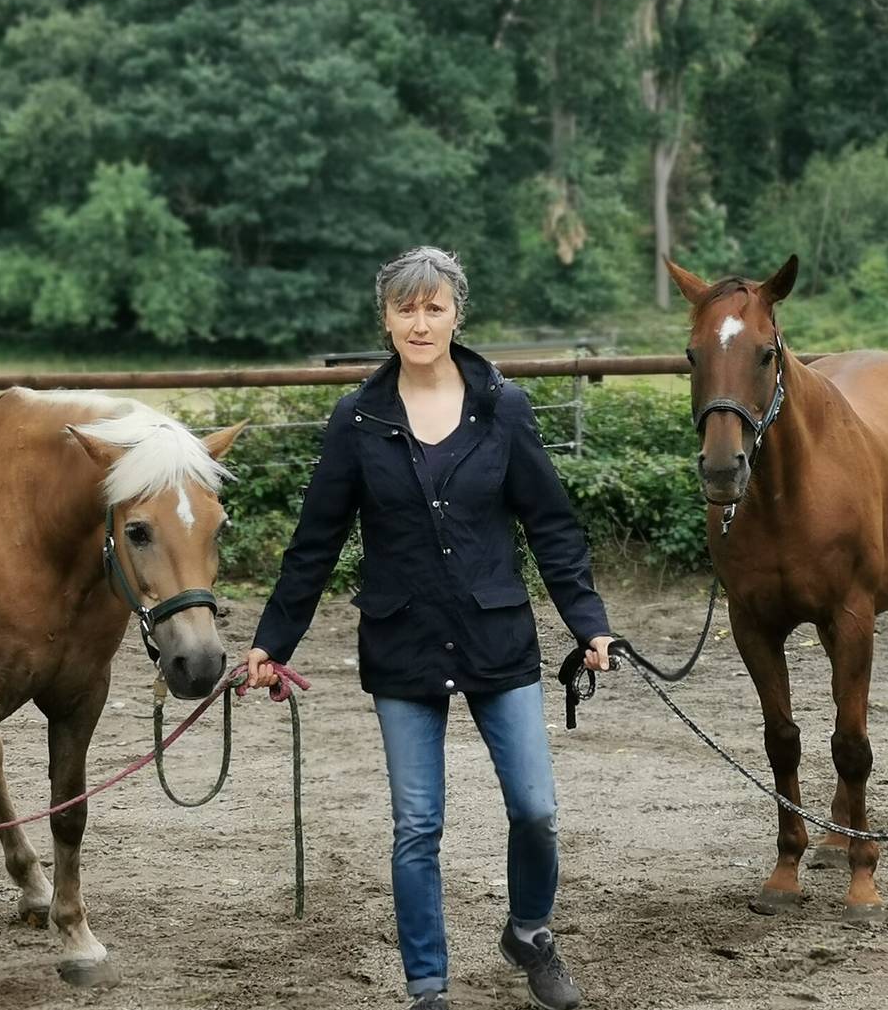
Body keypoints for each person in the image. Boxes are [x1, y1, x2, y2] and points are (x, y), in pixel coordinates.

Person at [245, 245, 615, 1010]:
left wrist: (589, 623)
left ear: (457, 313)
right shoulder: (357, 419)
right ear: (385, 318)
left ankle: (531, 932)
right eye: (406, 307)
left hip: (496, 637)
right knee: (417, 824)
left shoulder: (503, 407)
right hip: (402, 640)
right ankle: (427, 988)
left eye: (434, 306)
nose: (421, 321)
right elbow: (314, 543)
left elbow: (552, 525)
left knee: (536, 809)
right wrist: (270, 642)